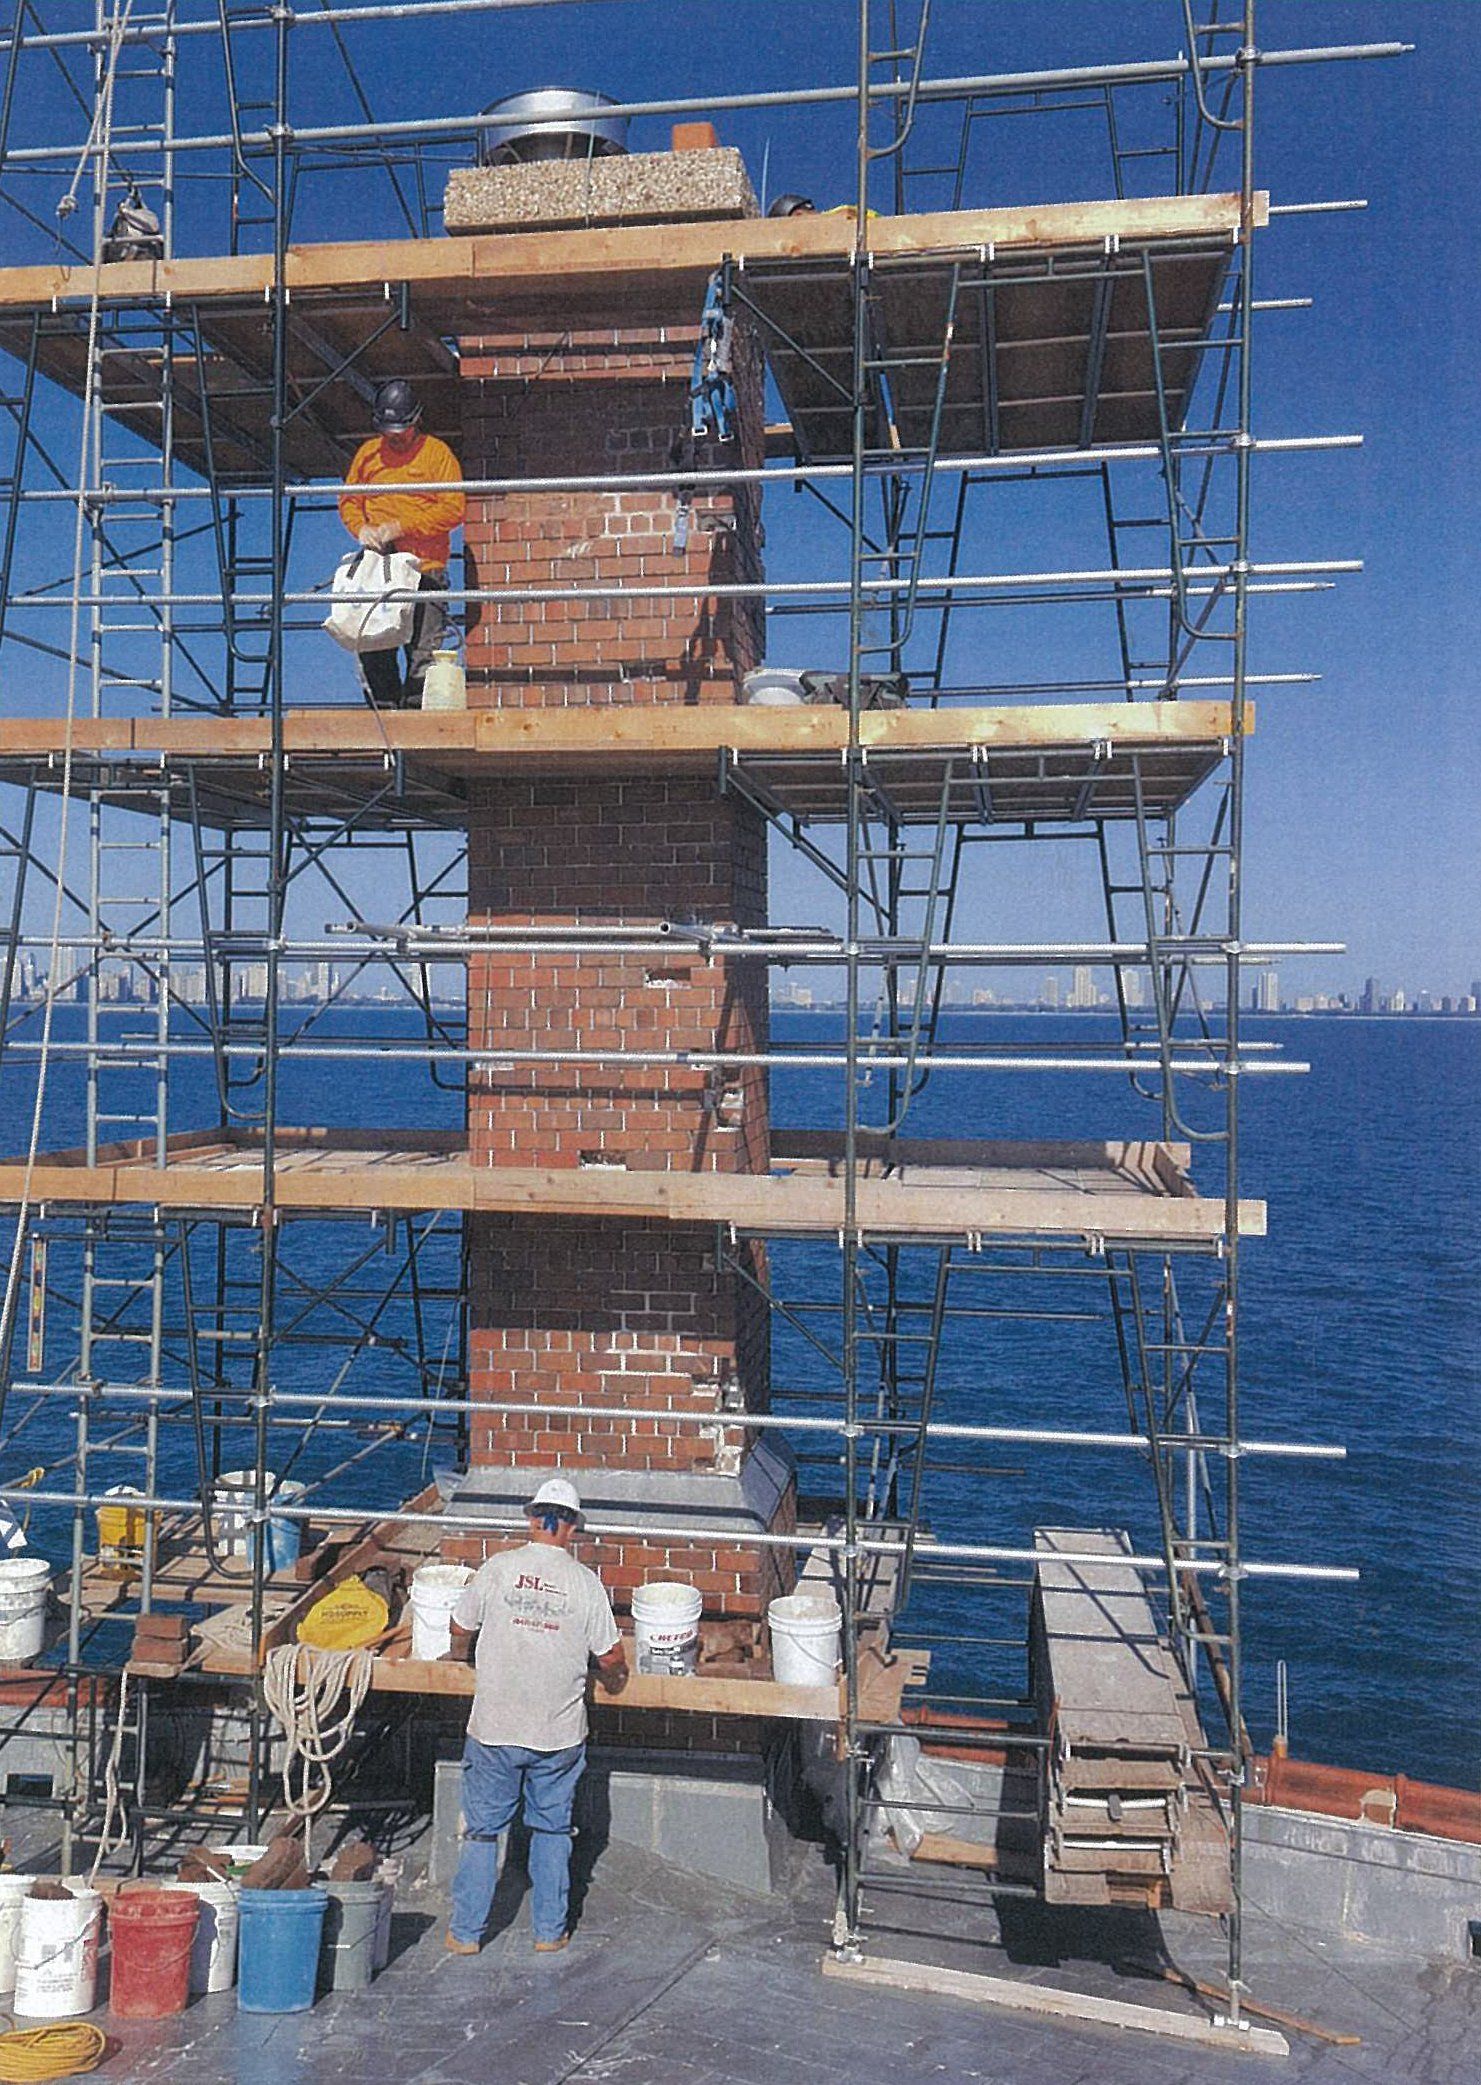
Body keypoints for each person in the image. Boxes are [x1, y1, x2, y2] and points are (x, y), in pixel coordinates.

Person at [443, 1476, 628, 1956]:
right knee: (551, 1830)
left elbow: (459, 1625)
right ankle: (549, 1931)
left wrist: (466, 1654)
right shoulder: (584, 1584)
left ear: (532, 1519)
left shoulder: (498, 1569)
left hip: (494, 1728)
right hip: (558, 1732)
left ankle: (466, 1934)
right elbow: (610, 1658)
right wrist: (616, 1679)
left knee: (483, 1831)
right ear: (571, 1529)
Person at [337, 378, 466, 709]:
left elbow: (453, 508)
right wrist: (361, 528)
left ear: (415, 421)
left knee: (424, 651)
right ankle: (386, 714)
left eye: (402, 430)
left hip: (425, 569)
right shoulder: (368, 455)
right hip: (380, 570)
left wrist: (403, 527)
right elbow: (349, 501)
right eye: (389, 430)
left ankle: (417, 722)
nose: (395, 437)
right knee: (372, 645)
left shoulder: (437, 455)